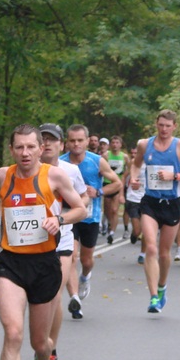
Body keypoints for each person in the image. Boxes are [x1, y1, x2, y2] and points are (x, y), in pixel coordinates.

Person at [0, 124, 87, 360]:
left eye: (31, 147)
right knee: (13, 333)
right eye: (19, 147)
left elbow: (81, 209)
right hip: (12, 263)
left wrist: (59, 219)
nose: (25, 153)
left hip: (44, 265)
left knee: (40, 343)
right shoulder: (5, 175)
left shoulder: (54, 176)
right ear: (11, 150)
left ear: (41, 149)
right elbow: (4, 199)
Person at [129, 110, 180, 312]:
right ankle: (153, 297)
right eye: (161, 125)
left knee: (163, 253)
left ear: (174, 126)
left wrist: (174, 176)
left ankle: (162, 287)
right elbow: (136, 164)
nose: (164, 129)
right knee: (151, 248)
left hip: (172, 203)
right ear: (156, 124)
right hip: (150, 203)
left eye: (168, 126)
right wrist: (134, 178)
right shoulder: (145, 144)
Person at [37, 123, 88, 360]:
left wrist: (64, 216)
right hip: (32, 243)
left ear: (61, 144)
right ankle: (40, 346)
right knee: (37, 300)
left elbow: (84, 200)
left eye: (52, 139)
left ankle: (51, 352)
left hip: (62, 240)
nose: (47, 143)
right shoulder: (25, 170)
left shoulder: (70, 170)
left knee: (54, 296)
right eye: (42, 139)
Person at [62, 125, 122, 318]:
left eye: (80, 140)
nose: (76, 144)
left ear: (87, 141)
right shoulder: (60, 163)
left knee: (86, 261)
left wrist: (99, 191)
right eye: (72, 140)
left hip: (90, 217)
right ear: (66, 142)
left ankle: (85, 277)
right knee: (71, 256)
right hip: (68, 217)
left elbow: (117, 183)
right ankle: (74, 299)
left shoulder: (97, 161)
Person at [103, 135, 128, 243]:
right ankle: (109, 223)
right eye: (113, 143)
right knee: (107, 210)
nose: (115, 145)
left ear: (120, 145)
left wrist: (124, 182)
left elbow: (127, 171)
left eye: (117, 143)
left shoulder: (124, 157)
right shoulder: (106, 155)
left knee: (114, 210)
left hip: (118, 185)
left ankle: (112, 232)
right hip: (107, 184)